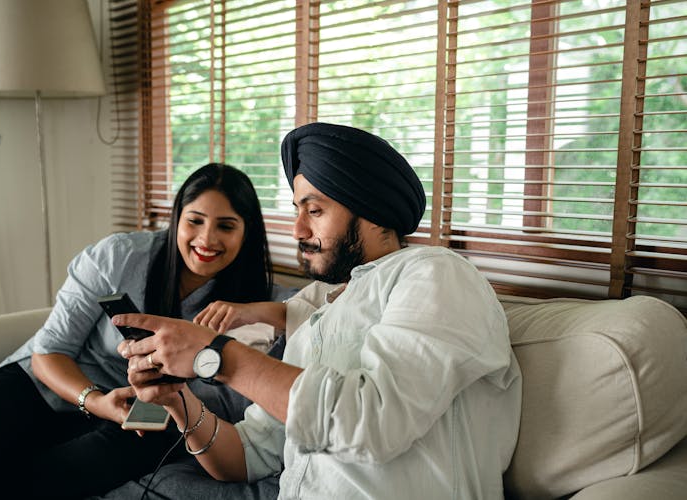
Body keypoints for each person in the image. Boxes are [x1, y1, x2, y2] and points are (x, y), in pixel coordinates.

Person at [105, 123, 523, 499]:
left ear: (372, 209)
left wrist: (215, 355)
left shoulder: (436, 274)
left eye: (315, 210)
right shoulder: (317, 315)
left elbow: (373, 419)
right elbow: (246, 457)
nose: (299, 231)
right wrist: (179, 401)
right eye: (297, 210)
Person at [0, 163, 291, 499]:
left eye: (226, 226)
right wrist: (96, 402)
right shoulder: (118, 257)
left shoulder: (254, 298)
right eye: (194, 221)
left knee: (28, 485)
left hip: (139, 420)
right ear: (176, 220)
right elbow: (48, 354)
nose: (207, 239)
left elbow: (318, 306)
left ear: (247, 232)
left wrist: (253, 310)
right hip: (43, 386)